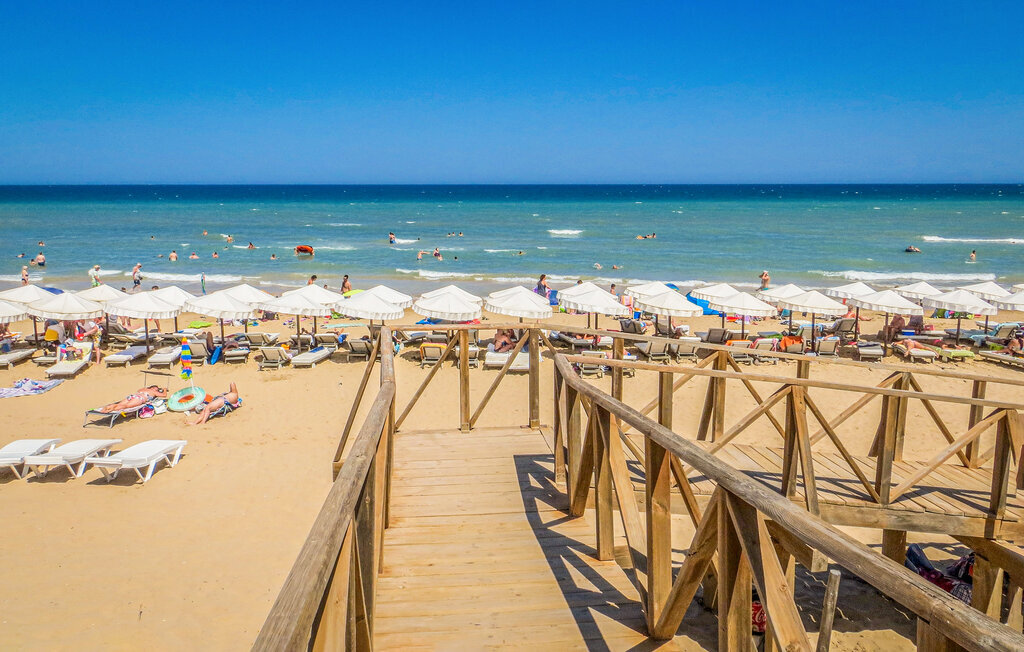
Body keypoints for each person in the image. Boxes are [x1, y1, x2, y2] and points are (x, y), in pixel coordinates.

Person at [98, 386, 168, 414]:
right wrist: (164, 389)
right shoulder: (153, 392)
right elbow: (164, 395)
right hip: (139, 399)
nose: (156, 389)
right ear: (153, 388)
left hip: (133, 396)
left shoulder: (143, 389)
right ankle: (110, 410)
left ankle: (107, 407)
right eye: (156, 388)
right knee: (126, 406)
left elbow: (138, 390)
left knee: (119, 404)